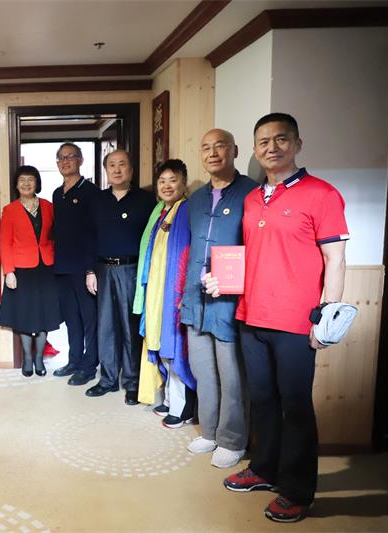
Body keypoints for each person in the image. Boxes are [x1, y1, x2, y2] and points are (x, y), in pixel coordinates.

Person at [214, 113, 348, 523]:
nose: (272, 148)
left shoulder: (322, 194)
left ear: (297, 144)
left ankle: (297, 490)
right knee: (263, 400)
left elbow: (336, 260)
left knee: (296, 407)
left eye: (281, 139)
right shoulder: (253, 197)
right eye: (264, 141)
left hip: (296, 323)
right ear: (255, 149)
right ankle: (264, 469)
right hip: (252, 316)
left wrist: (325, 320)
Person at [179, 129, 257, 468]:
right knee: (203, 371)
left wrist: (232, 282)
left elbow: (259, 252)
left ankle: (233, 439)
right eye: (206, 147)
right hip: (196, 299)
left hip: (230, 302)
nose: (212, 153)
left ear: (235, 151)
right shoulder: (195, 199)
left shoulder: (252, 194)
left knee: (232, 375)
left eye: (220, 146)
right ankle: (210, 432)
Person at [85, 149, 156, 404]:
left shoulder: (146, 200)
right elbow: (89, 237)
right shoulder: (97, 200)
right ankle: (107, 379)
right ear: (106, 170)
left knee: (130, 326)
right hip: (103, 269)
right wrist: (90, 271)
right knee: (106, 326)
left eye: (122, 164)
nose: (117, 169)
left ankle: (133, 382)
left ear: (131, 170)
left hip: (132, 270)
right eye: (112, 165)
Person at [136, 159, 196, 428]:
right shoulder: (162, 212)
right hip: (158, 291)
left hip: (174, 293)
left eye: (173, 180)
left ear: (183, 182)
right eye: (162, 181)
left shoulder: (185, 210)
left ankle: (183, 408)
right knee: (161, 343)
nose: (167, 186)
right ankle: (171, 400)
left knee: (175, 347)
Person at [0, 165, 62, 377]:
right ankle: (27, 358)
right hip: (21, 270)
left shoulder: (48, 206)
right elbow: (5, 242)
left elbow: (56, 236)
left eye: (30, 179)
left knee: (44, 314)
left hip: (46, 268)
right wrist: (9, 271)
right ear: (16, 184)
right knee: (24, 315)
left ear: (37, 183)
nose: (26, 183)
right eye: (22, 180)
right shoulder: (10, 210)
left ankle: (39, 359)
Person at [51, 142, 99, 386]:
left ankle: (89, 366)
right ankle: (74, 360)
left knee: (89, 319)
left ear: (80, 160)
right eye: (61, 157)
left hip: (84, 268)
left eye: (70, 156)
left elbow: (95, 233)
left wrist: (91, 269)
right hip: (62, 267)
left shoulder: (91, 191)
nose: (65, 161)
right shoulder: (57, 194)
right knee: (71, 319)